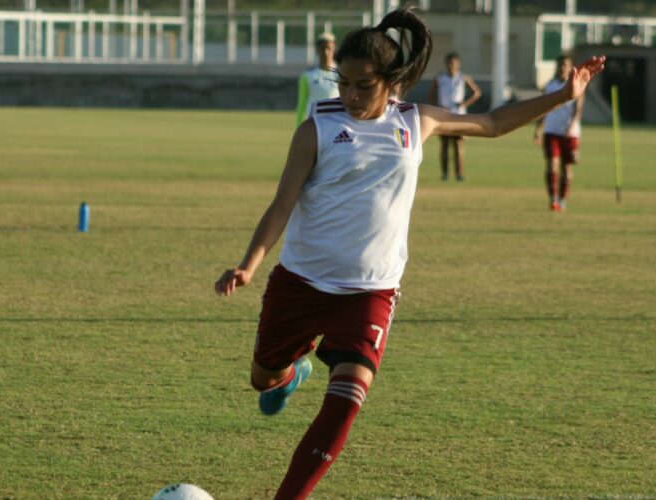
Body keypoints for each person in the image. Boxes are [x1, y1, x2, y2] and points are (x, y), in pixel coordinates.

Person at [215, 7, 604, 498]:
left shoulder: (415, 123)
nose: (351, 95)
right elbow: (281, 204)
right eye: (344, 83)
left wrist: (563, 95)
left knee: (347, 399)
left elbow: (493, 122)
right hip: (301, 282)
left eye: (363, 85)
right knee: (262, 379)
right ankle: (289, 376)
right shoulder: (316, 129)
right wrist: (249, 265)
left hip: (371, 291)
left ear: (391, 81)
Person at [534, 54, 585, 211]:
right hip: (552, 130)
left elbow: (578, 109)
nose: (563, 68)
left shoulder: (576, 85)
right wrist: (539, 129)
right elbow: (542, 109)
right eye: (561, 65)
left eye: (566, 65)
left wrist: (572, 125)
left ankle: (562, 199)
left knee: (567, 168)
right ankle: (553, 198)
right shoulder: (550, 86)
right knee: (552, 164)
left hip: (570, 133)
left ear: (571, 68)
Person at [428, 52, 482, 181]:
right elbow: (431, 93)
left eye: (453, 62)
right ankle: (445, 174)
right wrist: (436, 107)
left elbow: (476, 93)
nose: (450, 64)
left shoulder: (463, 78)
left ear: (458, 64)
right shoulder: (440, 78)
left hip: (458, 115)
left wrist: (463, 103)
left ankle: (459, 174)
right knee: (444, 145)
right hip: (443, 115)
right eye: (448, 62)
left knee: (458, 144)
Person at [295, 32, 340, 127]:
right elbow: (302, 103)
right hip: (314, 125)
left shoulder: (341, 74)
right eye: (322, 49)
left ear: (334, 49)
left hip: (335, 124)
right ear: (317, 50)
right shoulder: (307, 75)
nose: (325, 52)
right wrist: (298, 127)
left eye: (329, 48)